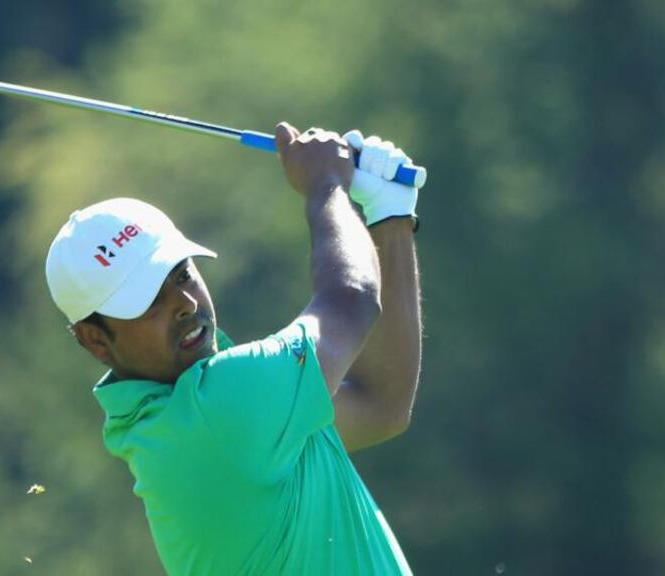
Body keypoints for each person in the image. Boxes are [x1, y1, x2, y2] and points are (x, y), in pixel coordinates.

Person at [45, 122, 423, 575]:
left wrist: (390, 215)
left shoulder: (193, 419)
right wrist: (325, 185)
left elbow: (382, 405)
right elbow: (351, 298)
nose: (184, 304)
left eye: (182, 275)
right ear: (95, 339)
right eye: (147, 300)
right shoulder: (219, 408)